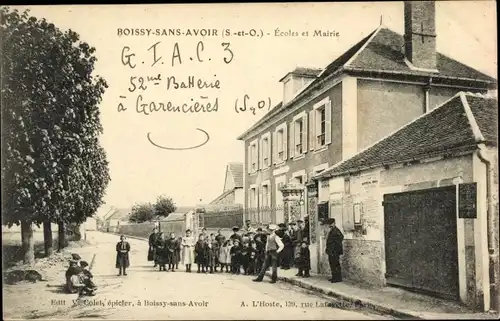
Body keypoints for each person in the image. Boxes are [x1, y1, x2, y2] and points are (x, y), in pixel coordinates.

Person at [325, 218, 344, 283]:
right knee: (332, 264)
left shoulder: (336, 230)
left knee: (335, 264)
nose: (329, 225)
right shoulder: (332, 230)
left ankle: (337, 278)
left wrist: (335, 248)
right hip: (331, 251)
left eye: (330, 224)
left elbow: (341, 237)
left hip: (334, 251)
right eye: (329, 224)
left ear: (333, 223)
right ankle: (335, 277)